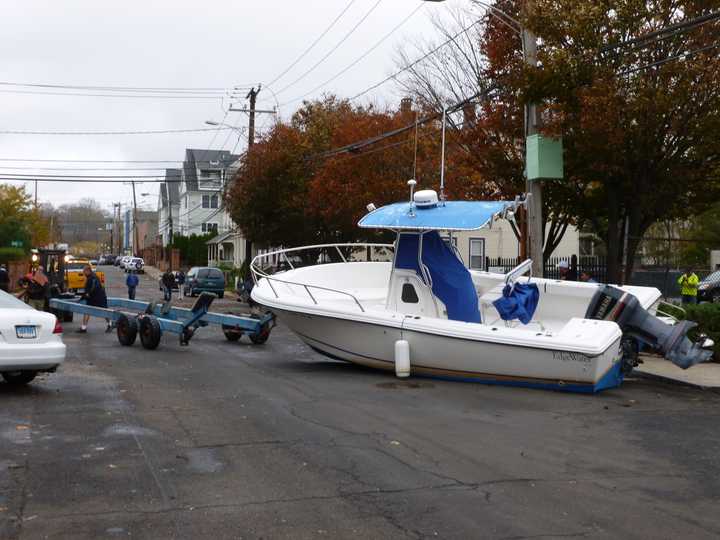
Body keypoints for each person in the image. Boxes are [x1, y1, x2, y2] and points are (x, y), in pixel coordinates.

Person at [78, 265, 111, 333]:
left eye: (84, 271)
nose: (83, 273)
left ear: (88, 271)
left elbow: (93, 288)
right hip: (95, 297)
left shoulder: (92, 277)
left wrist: (87, 294)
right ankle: (84, 327)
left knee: (104, 311)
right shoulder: (92, 276)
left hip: (98, 297)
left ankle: (110, 324)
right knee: (87, 310)